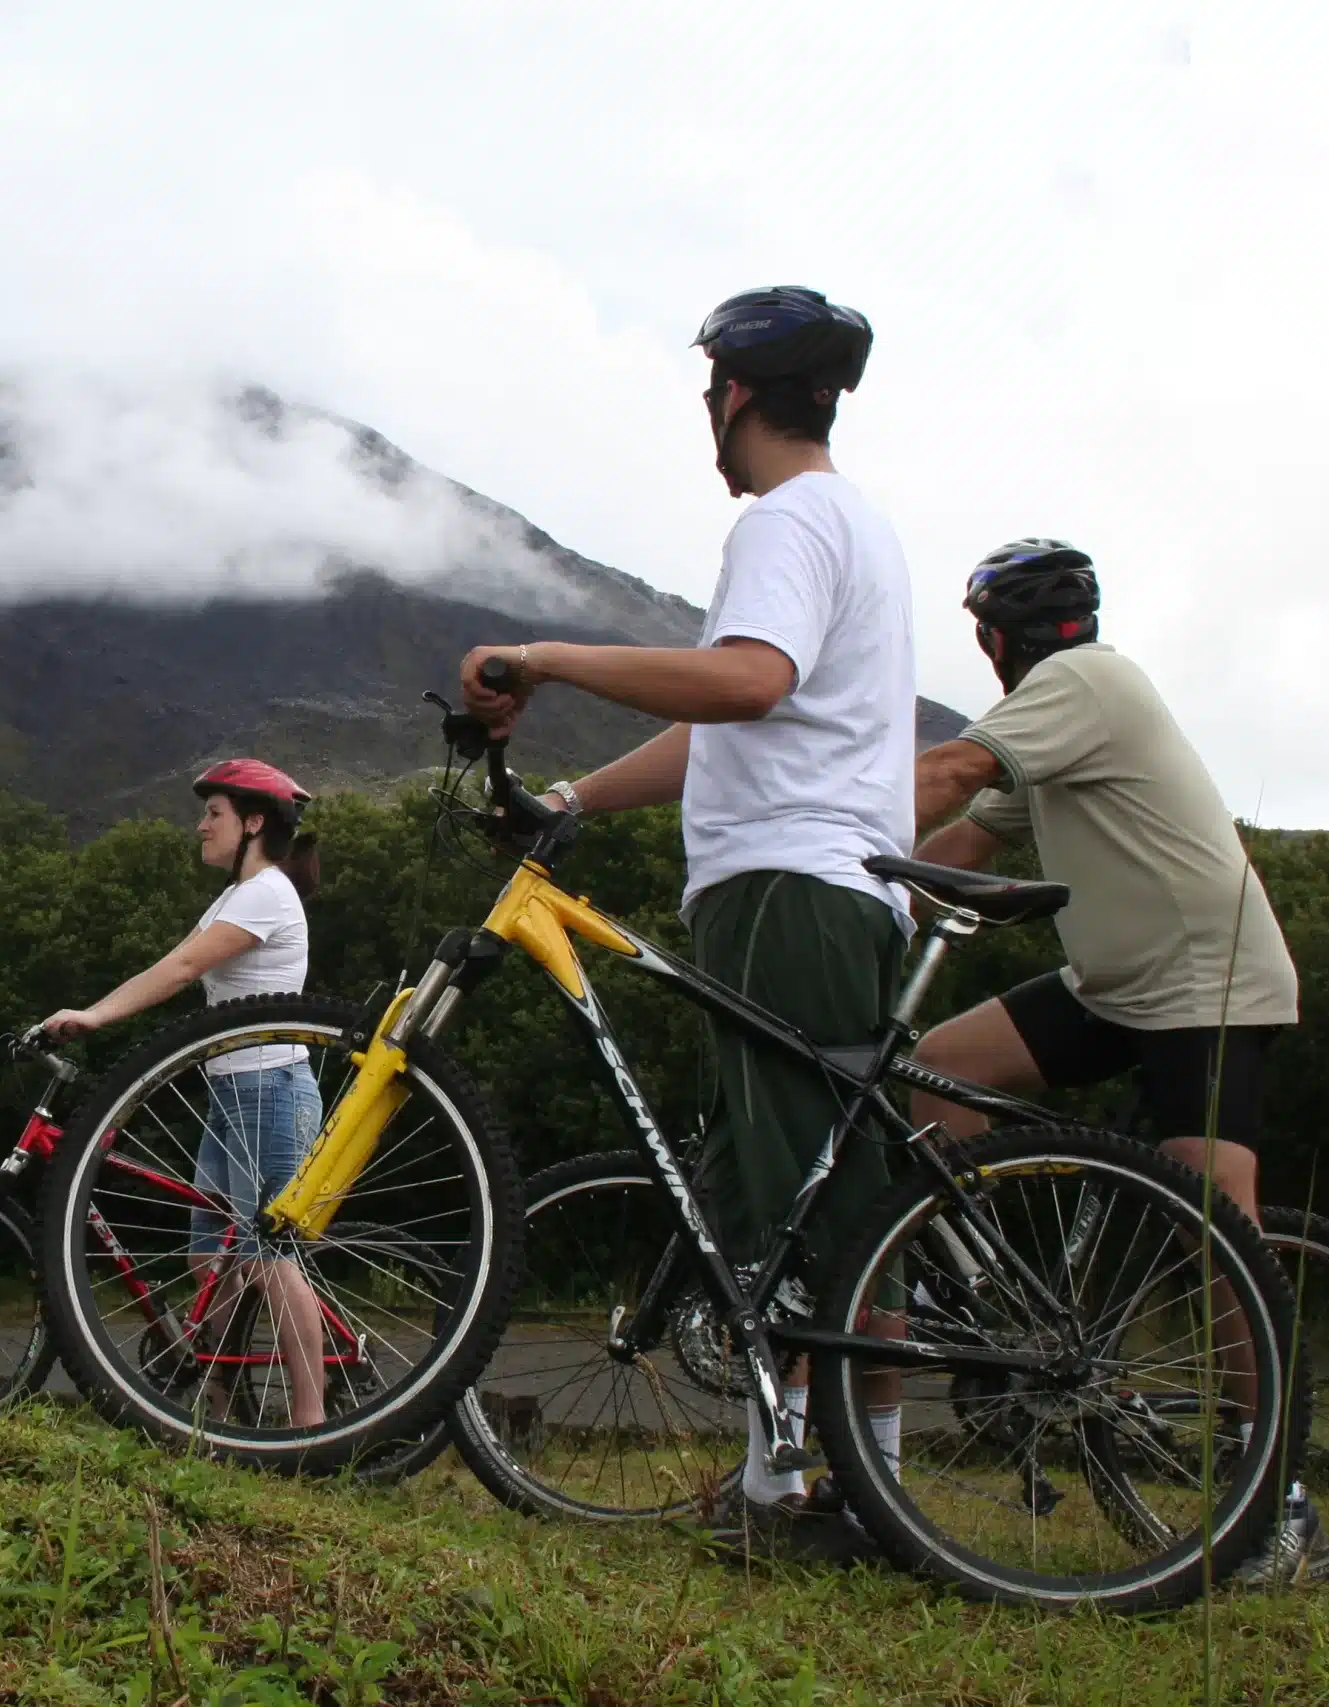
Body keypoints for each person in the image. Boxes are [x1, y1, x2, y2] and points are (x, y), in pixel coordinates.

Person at [459, 286, 911, 1562]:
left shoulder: (783, 522)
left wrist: (545, 657)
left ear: (735, 395)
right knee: (822, 1187)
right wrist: (575, 798)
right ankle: (842, 1489)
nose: (704, 417)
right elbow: (730, 711)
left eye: (707, 391)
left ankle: (817, 1500)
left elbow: (747, 683)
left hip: (787, 888)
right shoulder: (848, 523)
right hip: (826, 887)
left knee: (790, 1205)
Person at [906, 538, 1312, 1578]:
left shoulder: (1081, 684)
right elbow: (961, 847)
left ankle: (1277, 1495)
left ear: (995, 639)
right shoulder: (1061, 717)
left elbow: (952, 775)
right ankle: (1008, 1312)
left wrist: (809, 823)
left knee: (1216, 1222)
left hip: (1202, 983)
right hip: (1112, 983)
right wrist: (849, 893)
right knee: (941, 1073)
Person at [40, 759, 330, 1428]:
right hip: (233, 1091)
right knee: (209, 1254)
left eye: (215, 814)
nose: (201, 825)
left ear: (254, 822)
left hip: (270, 1090)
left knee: (266, 1257)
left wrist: (95, 1014)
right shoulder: (235, 896)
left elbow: (179, 969)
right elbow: (178, 960)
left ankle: (311, 1428)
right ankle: (224, 1415)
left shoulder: (266, 892)